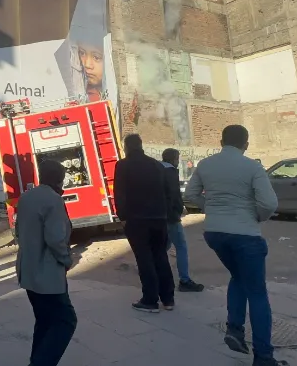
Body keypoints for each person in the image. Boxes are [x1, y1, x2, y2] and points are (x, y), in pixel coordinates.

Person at [185, 125, 286, 366]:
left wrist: (211, 208)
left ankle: (235, 329)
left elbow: (190, 194)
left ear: (221, 141)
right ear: (246, 144)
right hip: (245, 235)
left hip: (215, 233)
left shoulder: (206, 165)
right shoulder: (252, 167)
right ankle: (264, 357)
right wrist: (257, 216)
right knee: (258, 294)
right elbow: (269, 203)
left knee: (238, 277)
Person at [16, 159, 77, 366]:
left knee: (44, 321)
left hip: (28, 272)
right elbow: (56, 239)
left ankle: (36, 359)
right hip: (48, 276)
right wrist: (67, 259)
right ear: (60, 179)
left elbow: (19, 232)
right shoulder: (53, 200)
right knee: (66, 321)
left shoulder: (26, 197)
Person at [114, 134, 175, 313]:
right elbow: (168, 192)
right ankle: (168, 298)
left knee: (144, 259)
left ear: (127, 147)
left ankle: (150, 300)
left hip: (137, 219)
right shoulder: (157, 165)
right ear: (141, 146)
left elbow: (120, 193)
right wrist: (165, 214)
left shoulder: (123, 165)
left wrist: (122, 217)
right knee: (160, 256)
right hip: (159, 218)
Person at [161, 148, 205, 293]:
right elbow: (174, 196)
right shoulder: (171, 172)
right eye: (177, 158)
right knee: (181, 246)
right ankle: (184, 280)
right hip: (171, 217)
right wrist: (179, 211)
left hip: (160, 215)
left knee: (164, 245)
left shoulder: (157, 169)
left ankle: (153, 268)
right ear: (174, 158)